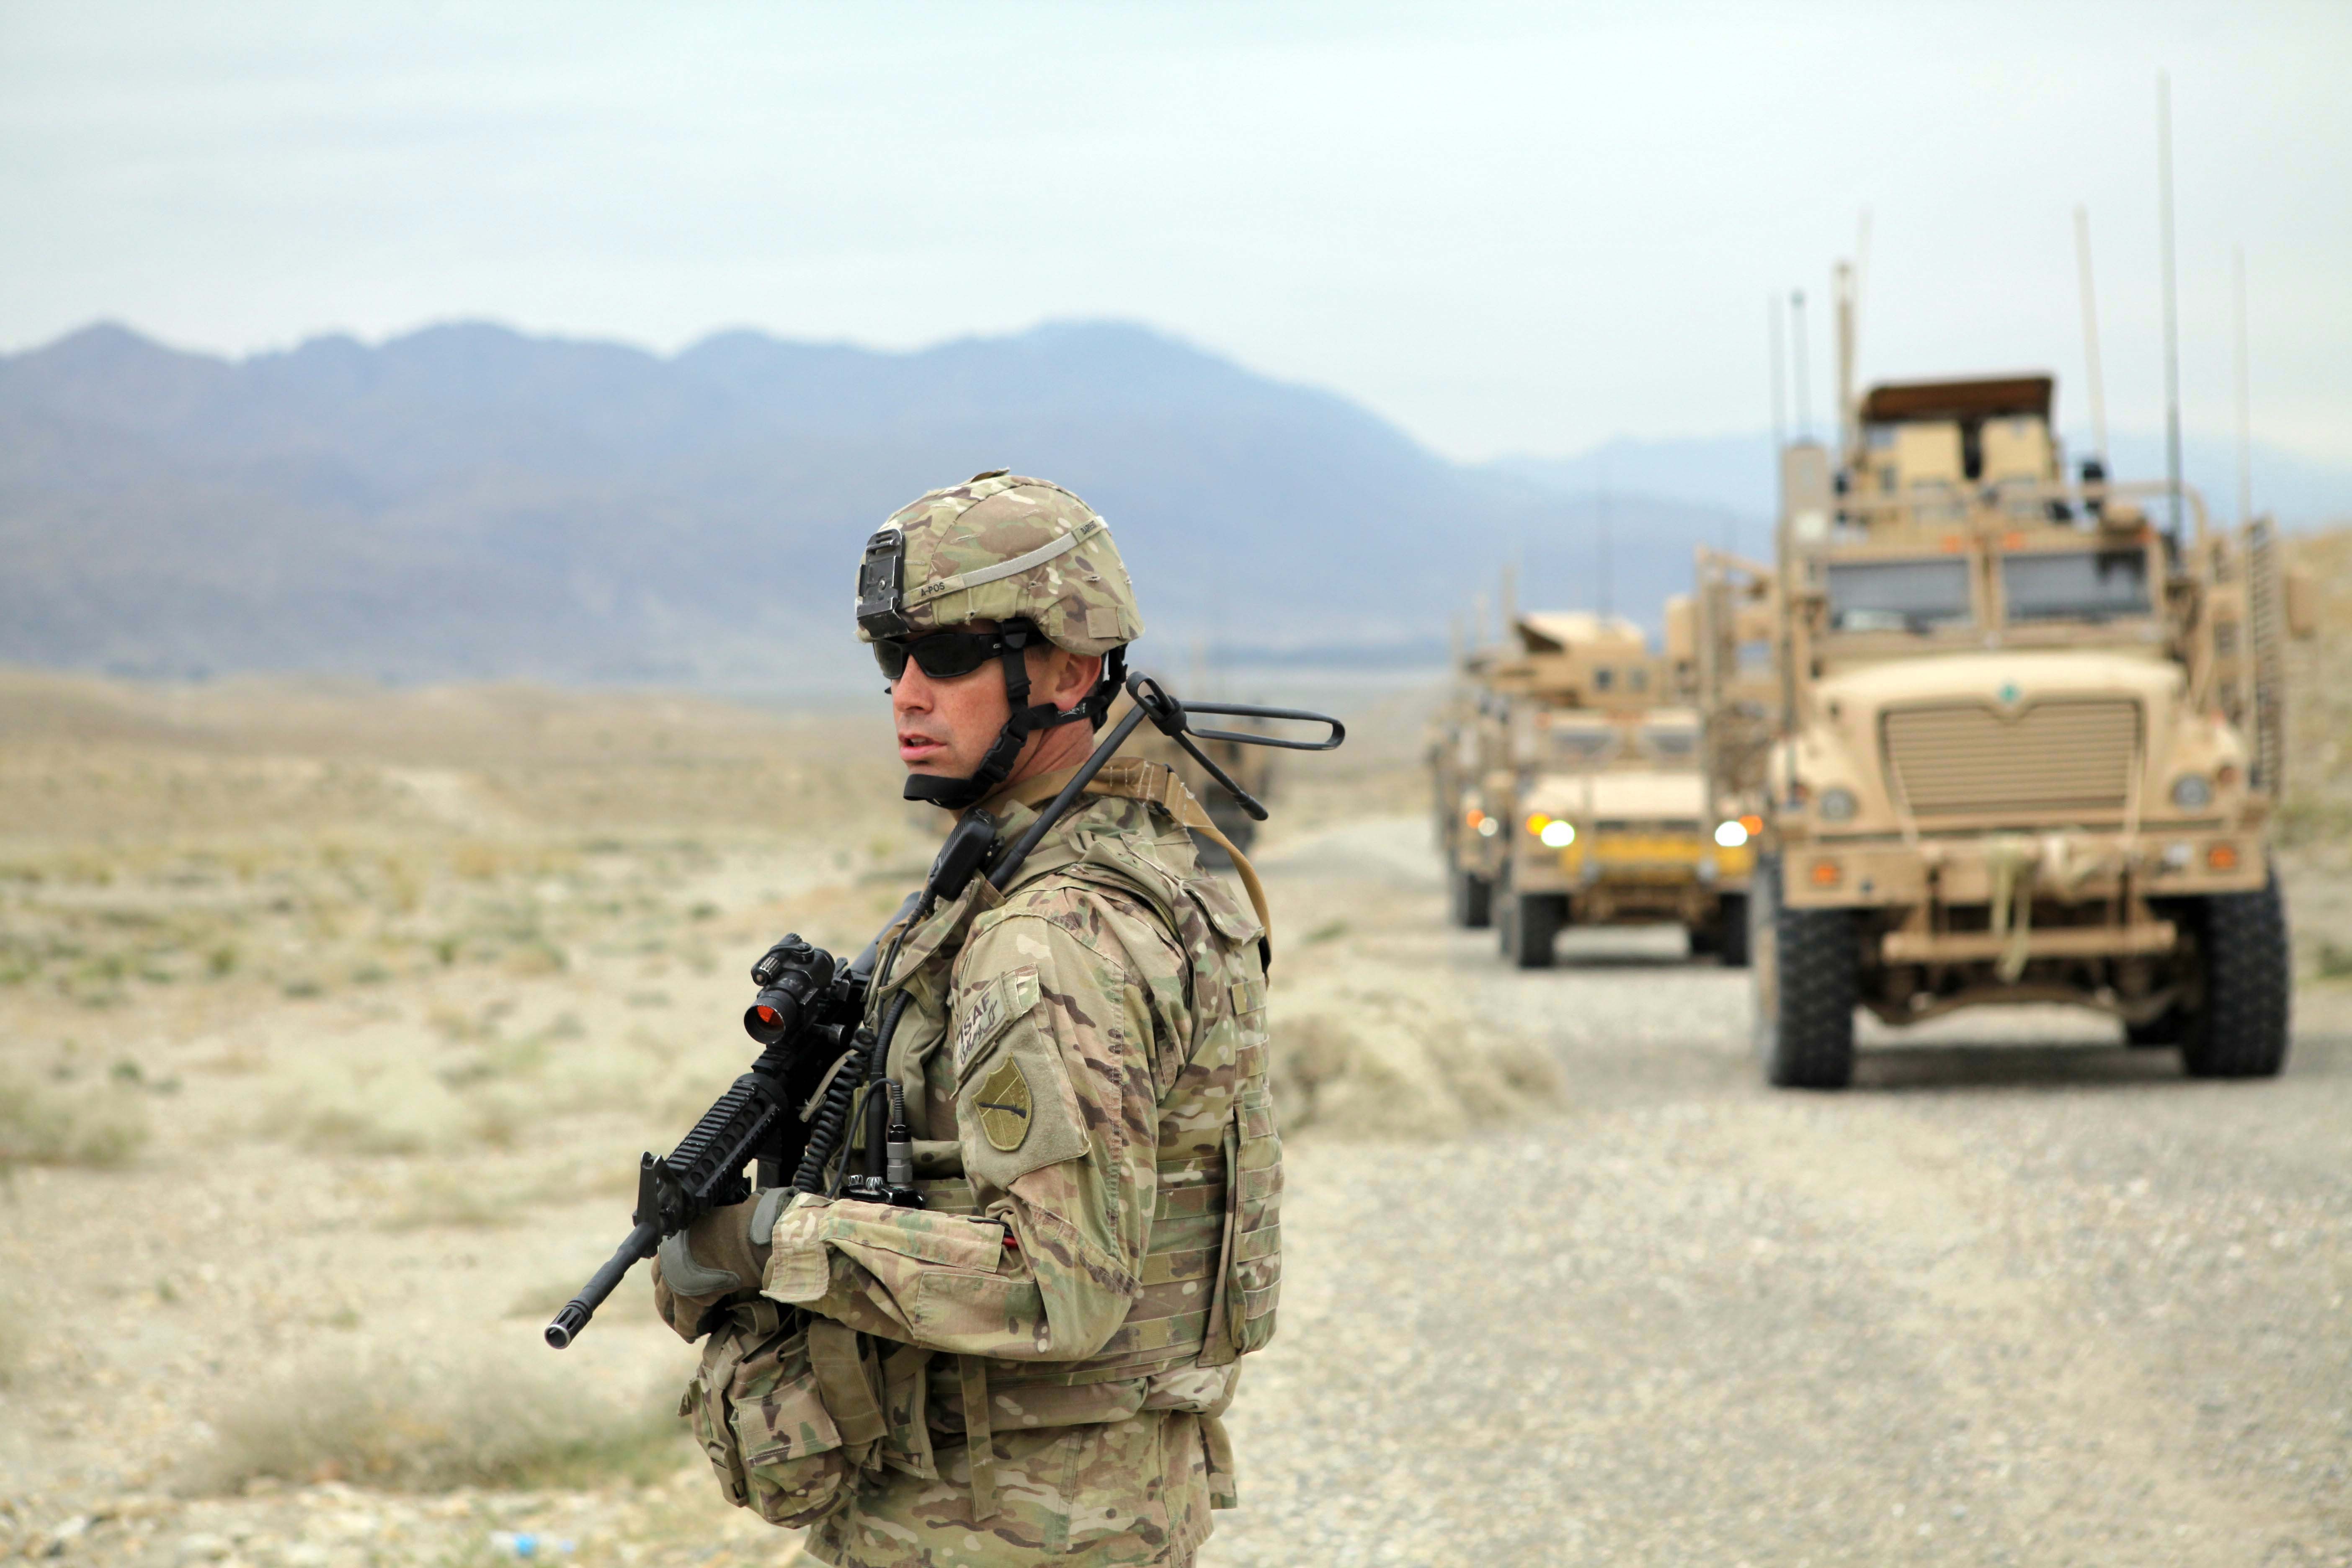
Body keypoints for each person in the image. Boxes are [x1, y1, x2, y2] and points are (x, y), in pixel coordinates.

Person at [650, 472, 1281, 1567]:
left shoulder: (1048, 941)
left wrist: (769, 1242)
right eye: (891, 659)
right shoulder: (1116, 866)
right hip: (1055, 1505)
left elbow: (1061, 1283)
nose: (906, 692)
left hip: (1006, 1520)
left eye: (945, 658)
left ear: (1072, 668)